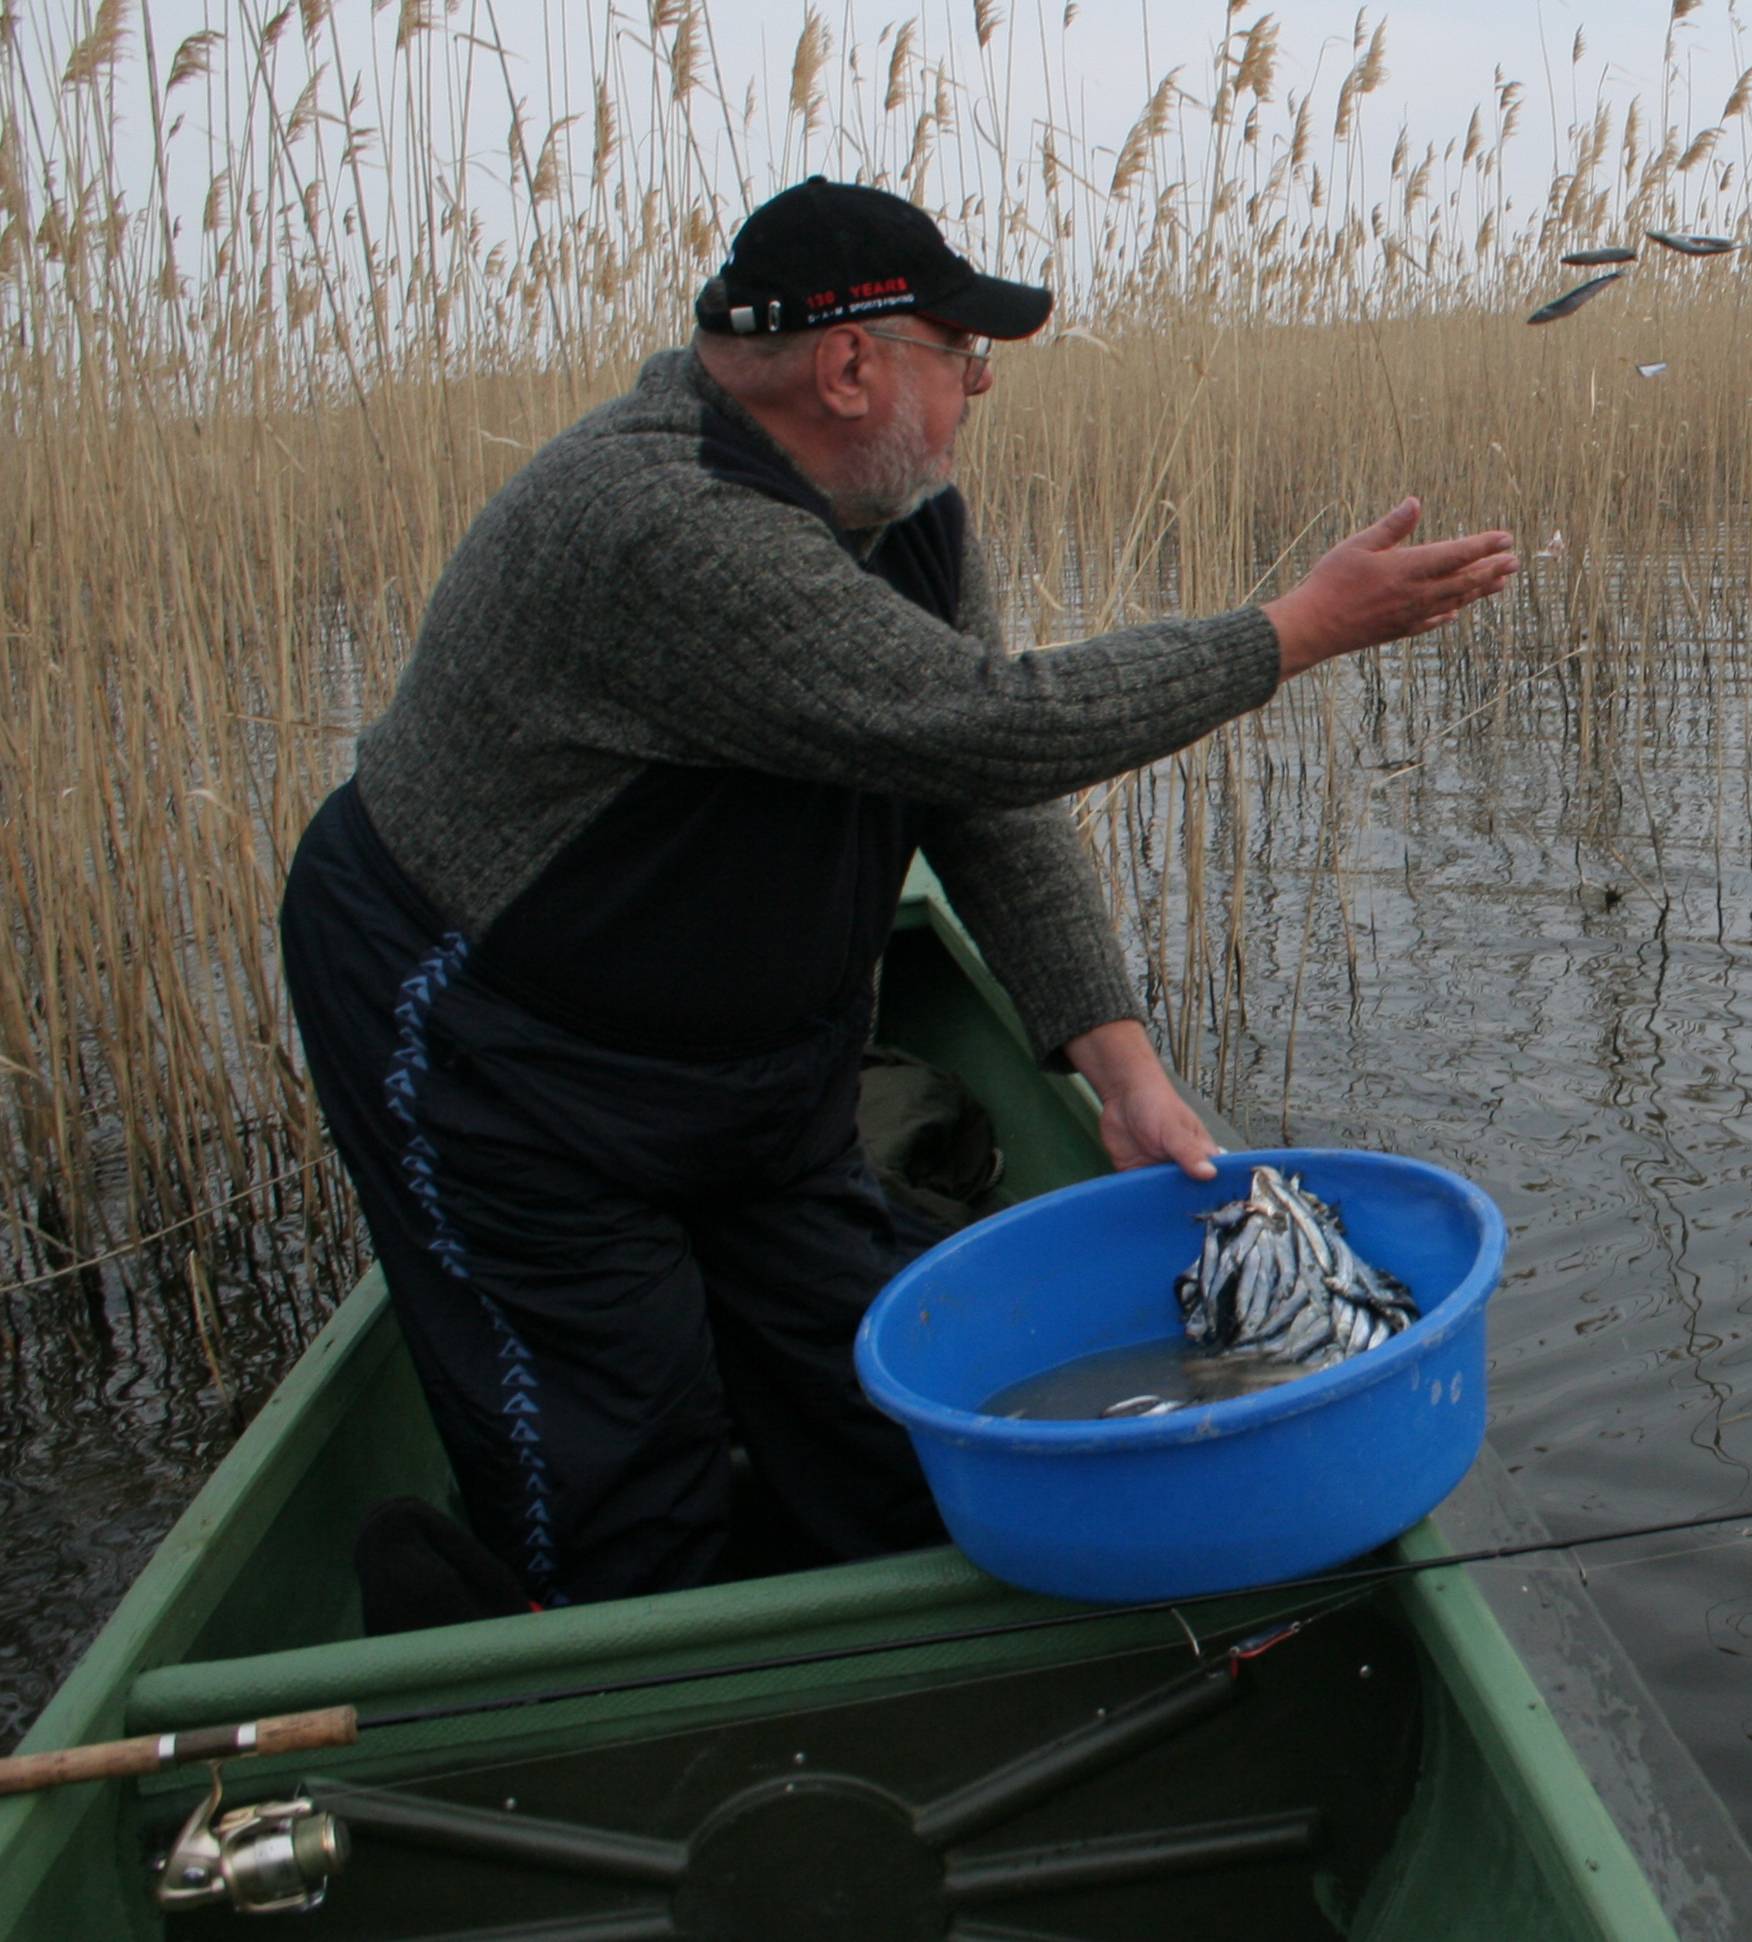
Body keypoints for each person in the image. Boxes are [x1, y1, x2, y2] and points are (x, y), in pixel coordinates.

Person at [276, 175, 1517, 1612]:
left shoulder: (905, 514)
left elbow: (978, 793)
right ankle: (597, 1681)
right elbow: (996, 721)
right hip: (497, 1041)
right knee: (617, 1476)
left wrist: (1117, 1063)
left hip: (756, 1061)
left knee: (867, 1424)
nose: (980, 389)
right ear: (851, 363)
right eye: (961, 355)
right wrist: (1291, 632)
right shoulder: (657, 522)